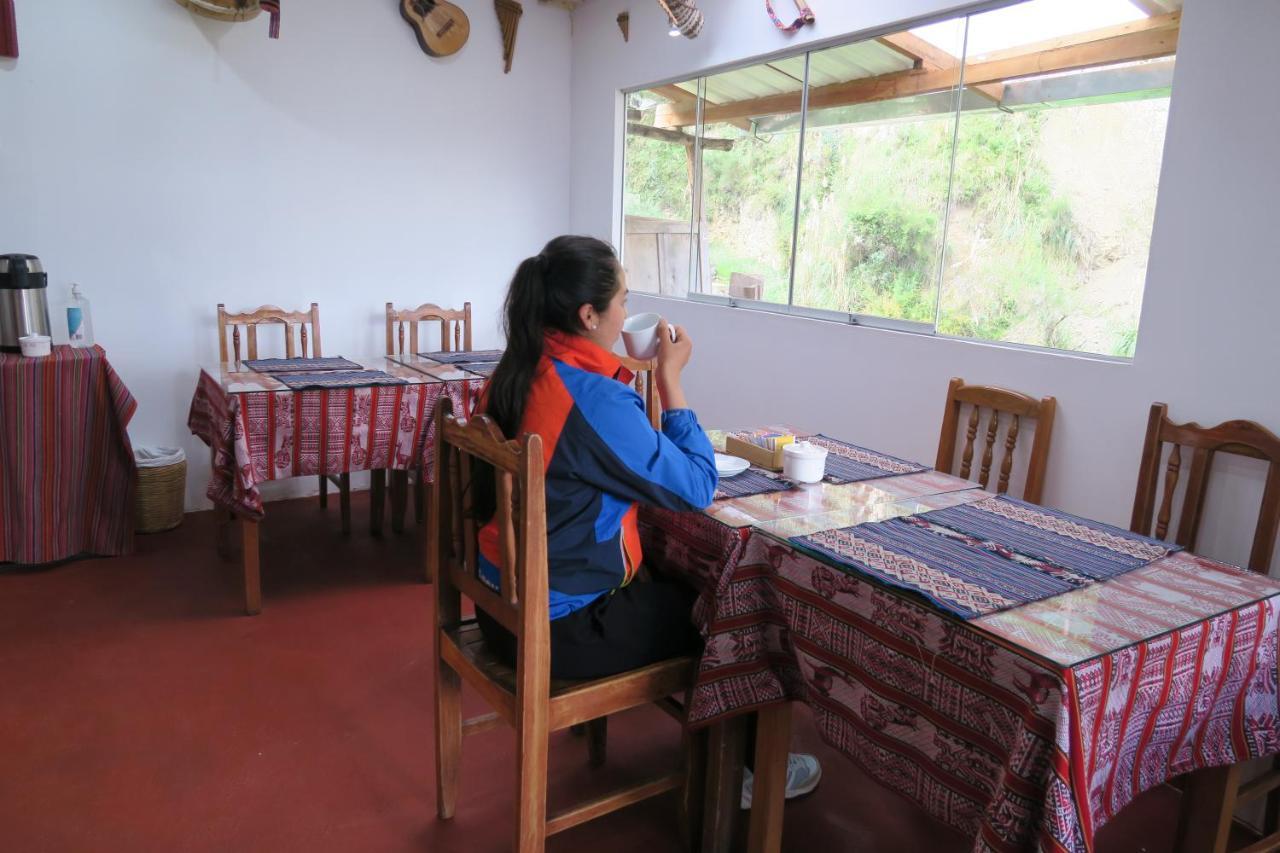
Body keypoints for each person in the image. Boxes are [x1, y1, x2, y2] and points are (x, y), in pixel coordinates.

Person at [473, 235, 820, 807]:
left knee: (679, 582)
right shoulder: (591, 398)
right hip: (557, 630)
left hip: (499, 608)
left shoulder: (523, 369)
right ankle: (747, 773)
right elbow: (694, 486)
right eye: (622, 299)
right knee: (731, 610)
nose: (624, 311)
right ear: (589, 314)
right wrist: (671, 380)